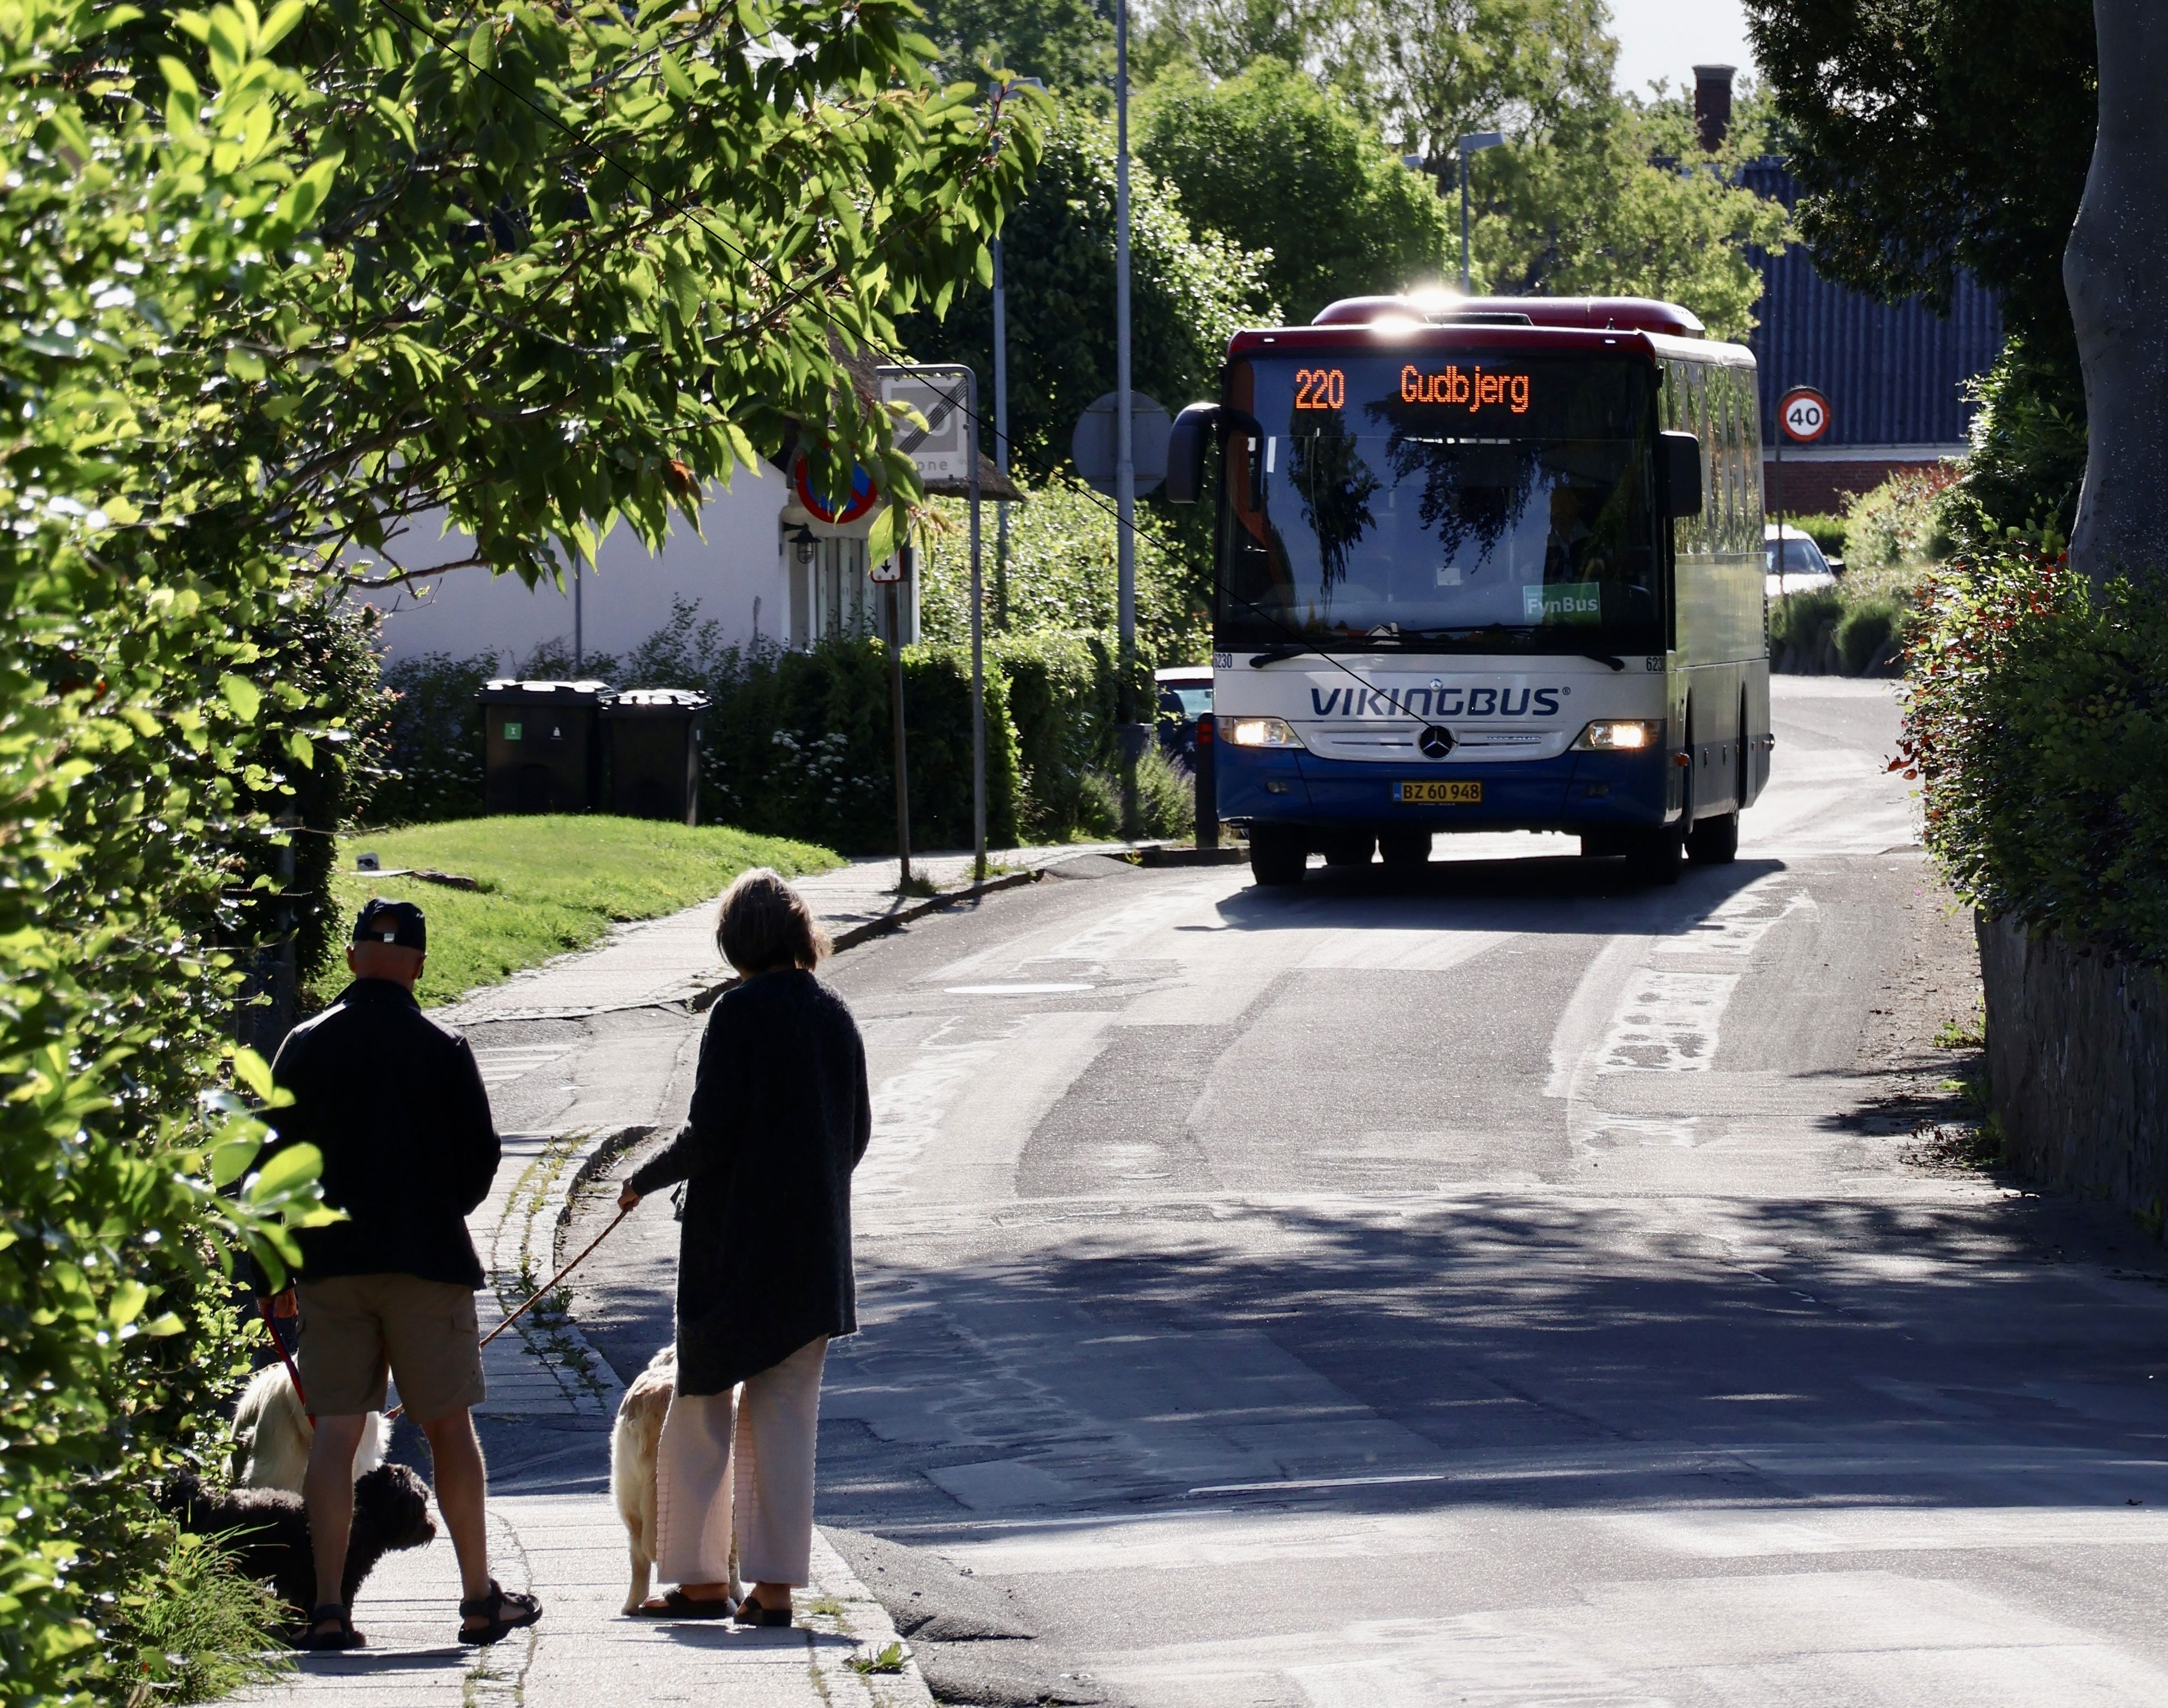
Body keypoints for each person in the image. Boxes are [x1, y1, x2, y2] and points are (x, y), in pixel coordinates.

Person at [262, 898, 541, 1651]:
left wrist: (274, 1268)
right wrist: (438, 1209)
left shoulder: (304, 1044)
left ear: (352, 957)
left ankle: (327, 1608)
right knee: (449, 1428)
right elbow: (480, 1159)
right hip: (426, 1263)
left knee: (336, 1432)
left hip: (329, 1265)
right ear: (418, 967)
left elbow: (268, 1162)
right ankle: (479, 1599)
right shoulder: (443, 1046)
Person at [617, 868, 872, 1626]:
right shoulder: (833, 1013)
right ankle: (774, 1589)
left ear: (732, 942)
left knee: (699, 1409)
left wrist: (643, 1179)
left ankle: (698, 1581)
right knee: (786, 1423)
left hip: (733, 1254)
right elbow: (856, 1133)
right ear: (799, 934)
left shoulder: (735, 1013)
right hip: (813, 1255)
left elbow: (711, 1132)